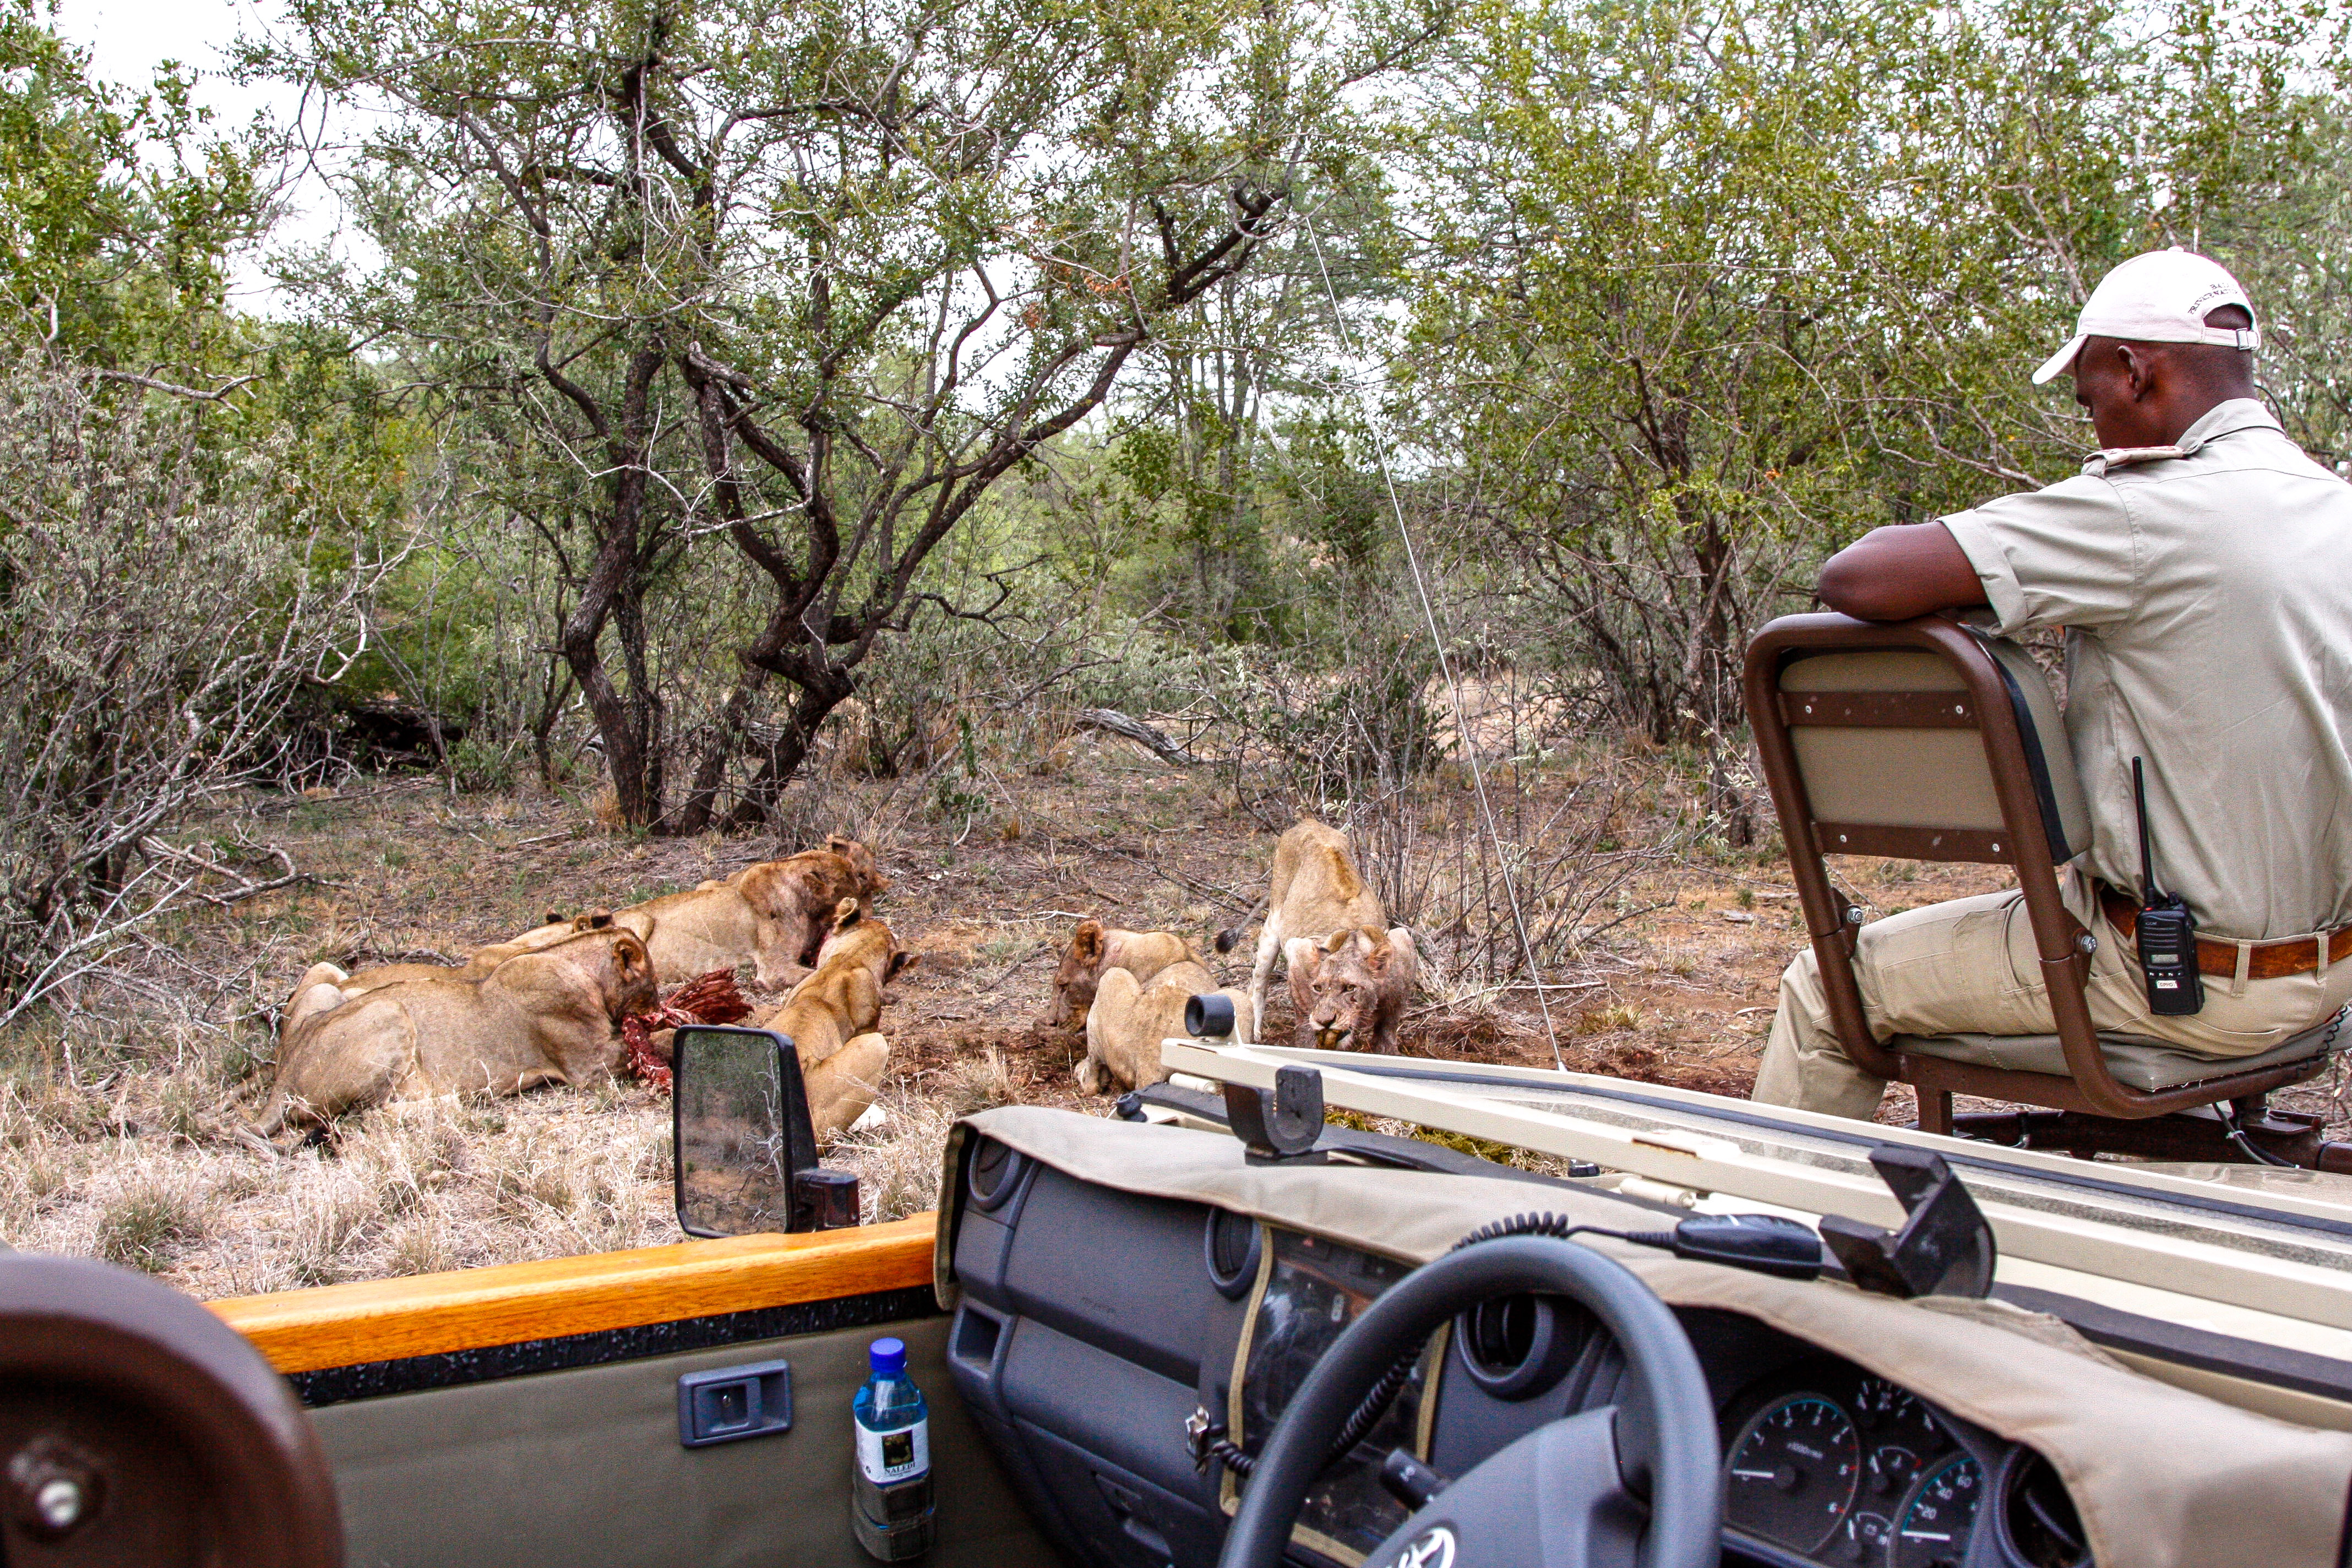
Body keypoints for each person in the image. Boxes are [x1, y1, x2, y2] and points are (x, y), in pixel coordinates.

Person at [1753, 248, 2352, 1120]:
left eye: (2091, 399)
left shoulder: (2148, 512)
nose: (2096, 425)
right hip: (2328, 979)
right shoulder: (2332, 508)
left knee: (1825, 989)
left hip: (2175, 981)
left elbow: (1863, 577)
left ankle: (1751, 1243)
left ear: (2134, 371)